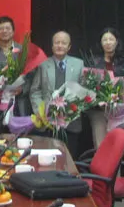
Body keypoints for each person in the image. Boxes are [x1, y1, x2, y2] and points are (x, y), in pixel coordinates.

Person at [30, 31, 85, 159]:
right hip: (47, 122)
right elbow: (35, 90)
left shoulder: (79, 64)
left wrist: (74, 107)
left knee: (69, 159)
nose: (60, 45)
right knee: (47, 159)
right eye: (57, 43)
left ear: (69, 47)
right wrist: (39, 110)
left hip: (71, 122)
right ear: (52, 46)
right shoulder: (43, 64)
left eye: (63, 43)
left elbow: (84, 91)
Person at [83, 27, 124, 152]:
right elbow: (87, 87)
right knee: (101, 147)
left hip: (118, 112)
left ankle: (118, 166)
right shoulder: (93, 61)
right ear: (100, 43)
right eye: (105, 40)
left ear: (117, 42)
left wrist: (121, 100)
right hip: (98, 111)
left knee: (117, 148)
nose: (108, 42)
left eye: (111, 39)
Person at [0, 16, 32, 131]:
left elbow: (32, 78)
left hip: (19, 106)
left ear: (13, 31)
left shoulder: (24, 51)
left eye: (7, 28)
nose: (4, 31)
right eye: (1, 29)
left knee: (18, 139)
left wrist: (22, 89)